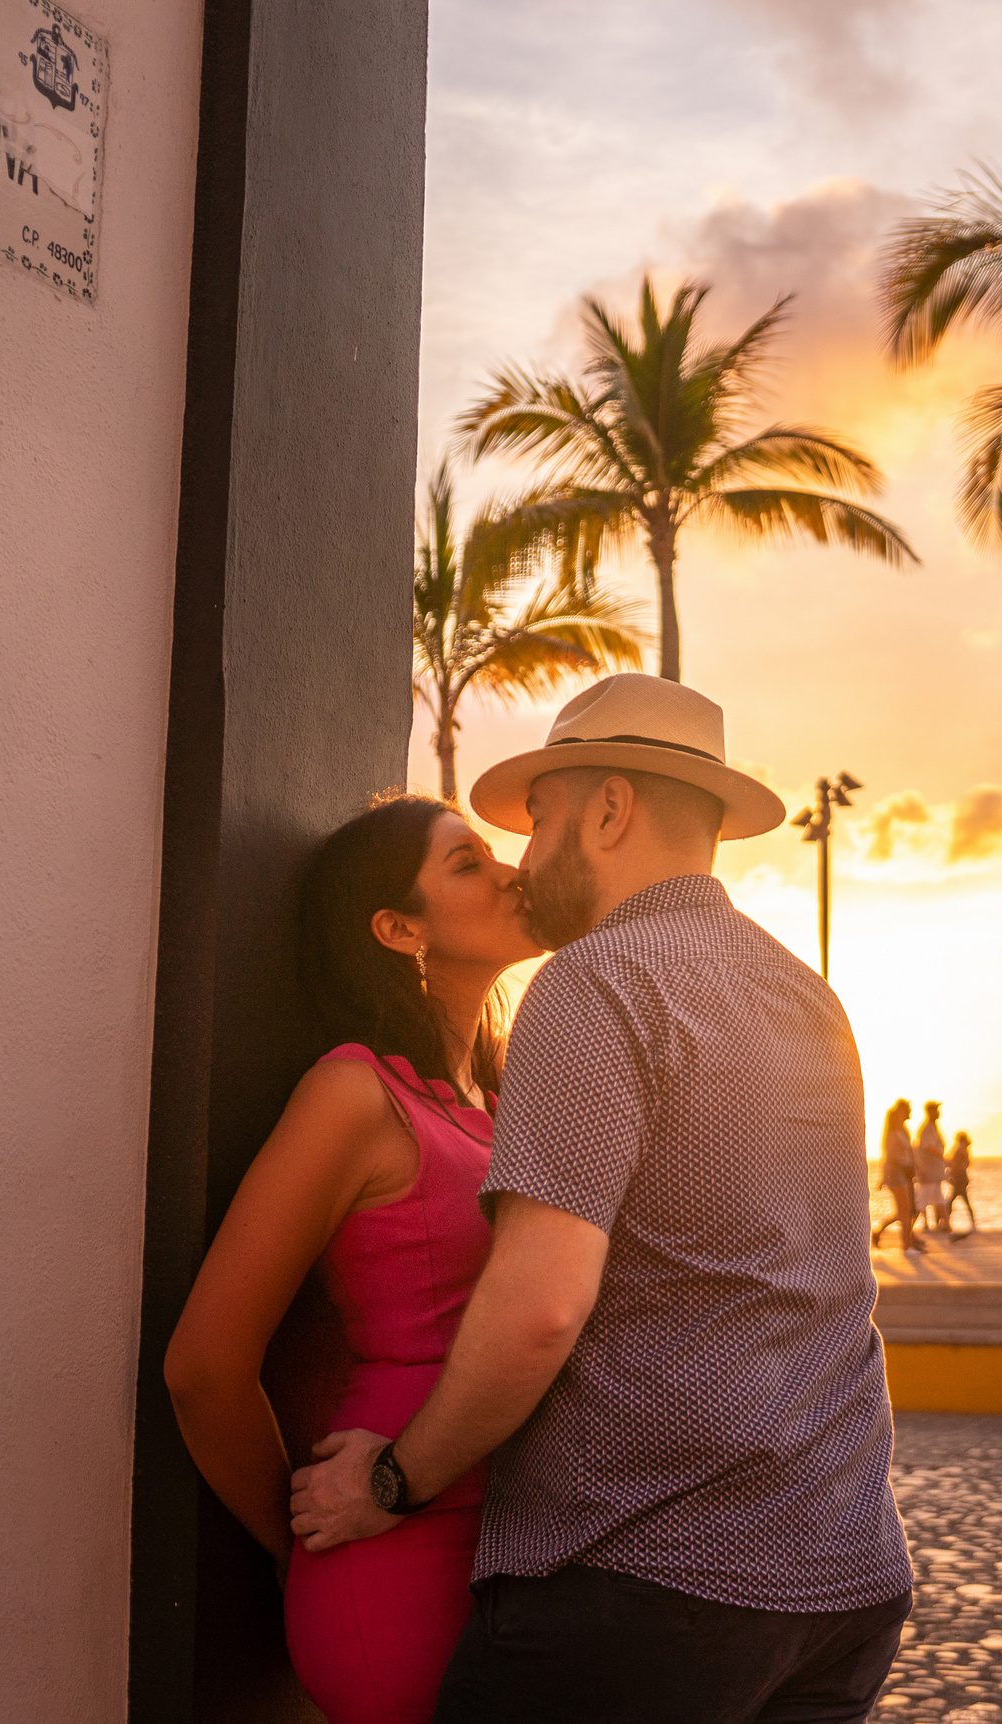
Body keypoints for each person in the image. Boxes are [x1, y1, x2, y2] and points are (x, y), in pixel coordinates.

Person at [285, 675, 912, 1721]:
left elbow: (539, 1307)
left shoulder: (597, 981)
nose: (526, 861)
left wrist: (393, 1481)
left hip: (647, 1591)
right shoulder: (811, 995)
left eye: (540, 820)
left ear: (610, 808)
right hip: (843, 1578)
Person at [166, 794, 546, 1724]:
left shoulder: (493, 1103)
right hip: (396, 1562)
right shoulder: (353, 1094)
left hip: (511, 1551)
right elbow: (204, 1367)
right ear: (397, 928)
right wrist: (304, 1535)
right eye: (466, 863)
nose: (509, 872)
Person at [871, 1099, 923, 1253]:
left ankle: (882, 1232)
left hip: (906, 1172)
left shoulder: (903, 1129)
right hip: (895, 1171)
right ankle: (907, 1245)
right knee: (905, 1209)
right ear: (901, 1111)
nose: (910, 1112)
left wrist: (915, 1167)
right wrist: (882, 1176)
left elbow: (909, 1151)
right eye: (908, 1109)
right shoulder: (892, 1131)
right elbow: (888, 1154)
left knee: (908, 1210)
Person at [913, 1101, 948, 1235]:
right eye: (936, 1110)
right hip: (929, 1172)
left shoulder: (933, 1127)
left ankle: (949, 1228)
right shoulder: (927, 1128)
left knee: (939, 1200)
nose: (939, 1112)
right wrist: (945, 1158)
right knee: (920, 1203)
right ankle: (908, 1232)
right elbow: (930, 1147)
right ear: (930, 1111)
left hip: (935, 1172)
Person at [945, 1130, 978, 1237]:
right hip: (960, 1177)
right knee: (958, 1200)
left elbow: (957, 1163)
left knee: (952, 1201)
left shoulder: (960, 1149)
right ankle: (972, 1222)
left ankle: (945, 1221)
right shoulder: (961, 1149)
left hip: (959, 1178)